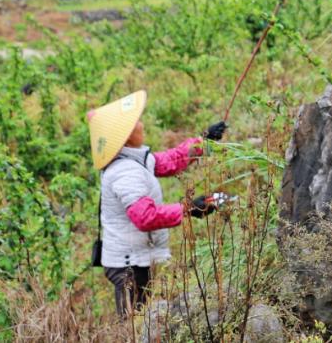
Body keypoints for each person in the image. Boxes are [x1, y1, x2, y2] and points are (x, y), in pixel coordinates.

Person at [87, 90, 232, 316]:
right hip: (129, 264)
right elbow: (145, 217)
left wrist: (203, 142)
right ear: (125, 135)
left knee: (142, 320)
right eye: (136, 122)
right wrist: (188, 208)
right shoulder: (125, 173)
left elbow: (169, 161)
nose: (141, 124)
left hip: (135, 258)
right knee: (134, 326)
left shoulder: (133, 159)